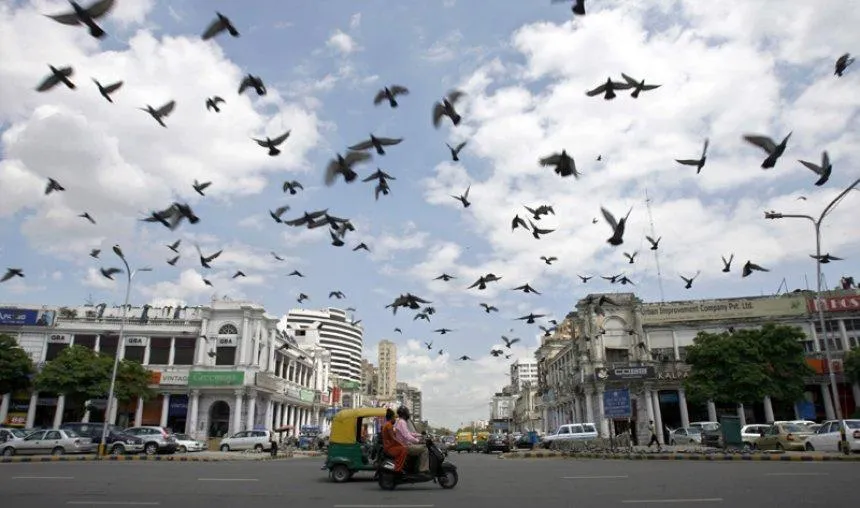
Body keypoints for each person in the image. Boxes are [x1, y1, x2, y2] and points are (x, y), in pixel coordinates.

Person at [394, 406, 429, 473]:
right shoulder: (402, 422)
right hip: (405, 446)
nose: (408, 414)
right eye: (407, 412)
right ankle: (423, 470)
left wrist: (420, 435)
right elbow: (407, 436)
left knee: (419, 447)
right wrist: (418, 441)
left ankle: (414, 467)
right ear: (404, 414)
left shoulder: (399, 421)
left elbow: (409, 433)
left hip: (403, 445)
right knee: (424, 448)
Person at [381, 408, 407, 472]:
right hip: (389, 448)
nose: (395, 419)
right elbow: (393, 438)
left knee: (402, 448)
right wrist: (402, 444)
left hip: (389, 447)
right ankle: (398, 468)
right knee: (404, 449)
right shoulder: (389, 425)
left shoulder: (386, 424)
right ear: (392, 417)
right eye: (394, 418)